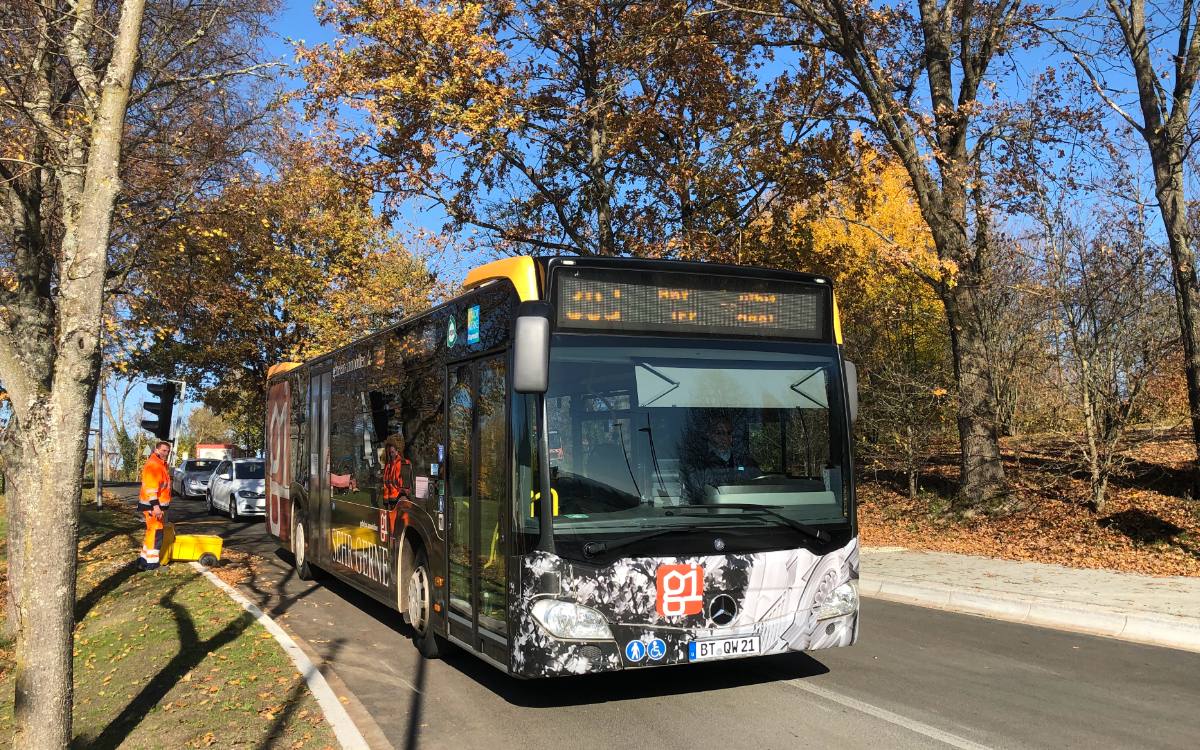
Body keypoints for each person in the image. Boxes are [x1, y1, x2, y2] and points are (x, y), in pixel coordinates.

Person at [680, 415, 760, 503]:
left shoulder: (743, 458)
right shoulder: (698, 461)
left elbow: (761, 485)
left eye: (729, 432)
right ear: (710, 435)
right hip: (708, 512)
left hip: (746, 510)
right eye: (720, 432)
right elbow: (691, 496)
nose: (725, 436)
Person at [138, 441, 173, 570]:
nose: (166, 454)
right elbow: (152, 489)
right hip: (153, 507)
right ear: (156, 450)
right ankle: (152, 564)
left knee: (151, 533)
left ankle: (143, 561)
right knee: (156, 534)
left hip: (151, 506)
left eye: (168, 451)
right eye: (164, 451)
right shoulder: (155, 465)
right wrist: (156, 506)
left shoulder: (158, 464)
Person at [380, 434, 410, 541]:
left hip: (399, 500)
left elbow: (406, 483)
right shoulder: (388, 465)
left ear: (397, 452)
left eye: (392, 452)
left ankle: (401, 541)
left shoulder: (402, 464)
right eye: (388, 453)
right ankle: (392, 543)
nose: (390, 455)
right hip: (389, 502)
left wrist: (403, 495)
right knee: (391, 527)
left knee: (402, 524)